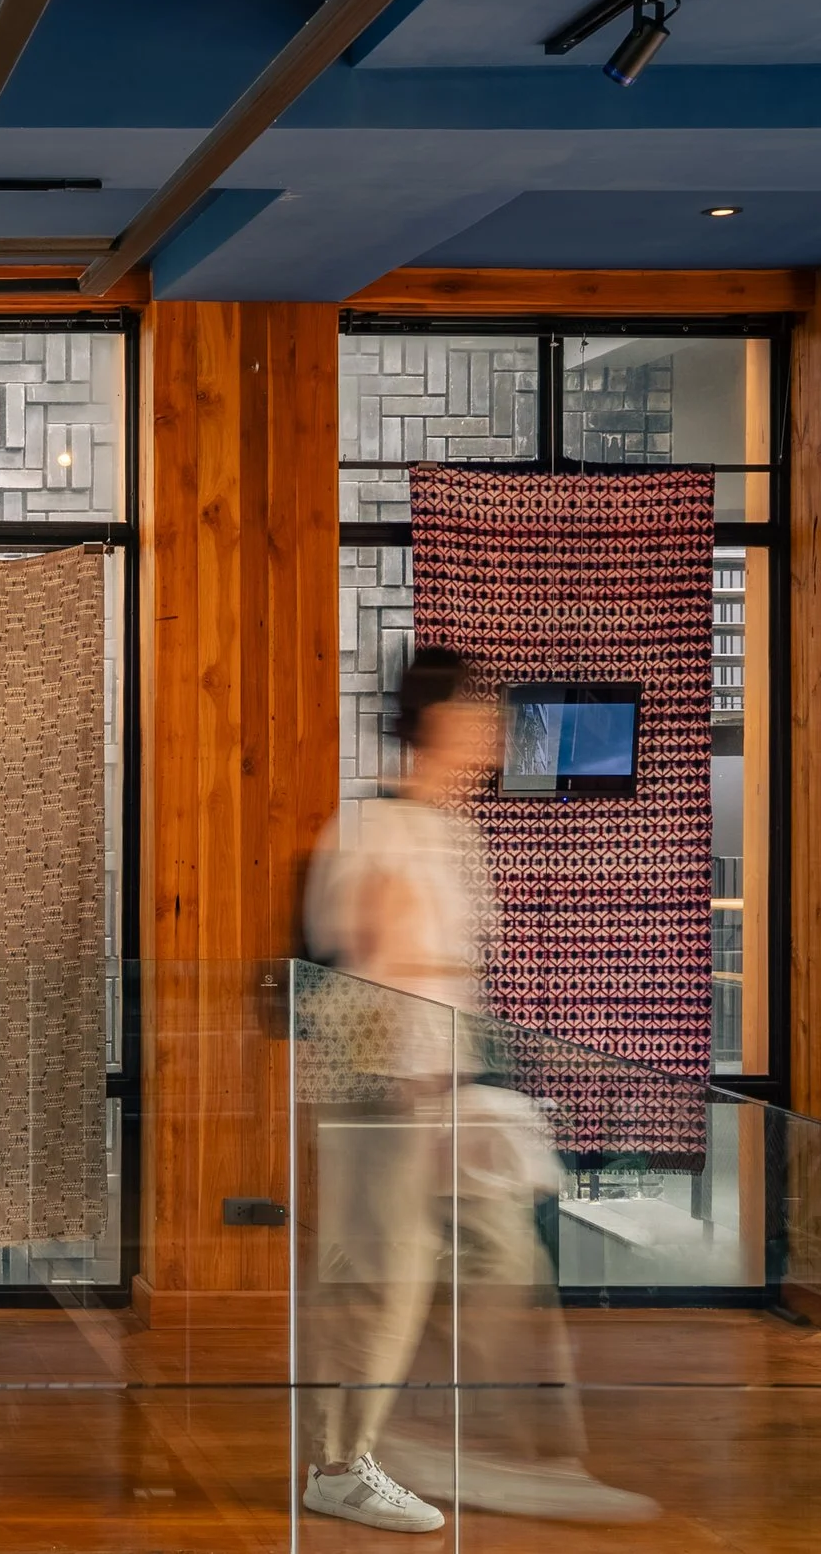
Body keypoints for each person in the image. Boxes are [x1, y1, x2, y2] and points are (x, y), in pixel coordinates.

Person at [297, 646, 653, 1532]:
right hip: (387, 1090)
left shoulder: (453, 833)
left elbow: (452, 972)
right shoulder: (373, 830)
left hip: (450, 1085)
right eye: (478, 716)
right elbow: (365, 965)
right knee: (383, 1278)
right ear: (437, 723)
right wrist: (411, 1081)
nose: (494, 734)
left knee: (502, 1264)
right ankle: (341, 1466)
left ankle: (503, 1452)